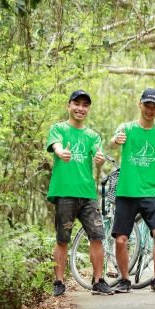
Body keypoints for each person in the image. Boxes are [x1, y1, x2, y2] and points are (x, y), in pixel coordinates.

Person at [110, 88, 155, 294]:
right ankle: (124, 280)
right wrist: (116, 141)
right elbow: (114, 141)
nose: (150, 110)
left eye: (154, 106)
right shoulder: (128, 128)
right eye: (147, 105)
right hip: (127, 192)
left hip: (151, 193)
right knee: (121, 239)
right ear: (139, 104)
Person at [46, 89, 114, 297]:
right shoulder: (58, 128)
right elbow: (56, 145)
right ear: (69, 106)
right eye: (77, 104)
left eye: (85, 105)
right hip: (65, 193)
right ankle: (59, 282)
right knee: (62, 238)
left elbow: (98, 154)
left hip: (87, 194)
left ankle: (98, 281)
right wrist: (60, 152)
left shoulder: (92, 135)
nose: (81, 108)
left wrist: (100, 160)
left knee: (97, 236)